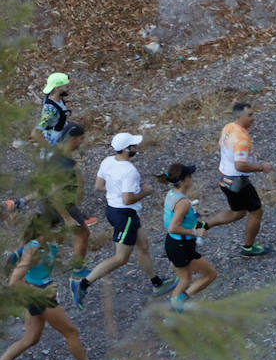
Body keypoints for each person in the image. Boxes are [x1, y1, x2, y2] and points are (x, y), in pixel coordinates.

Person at [70, 133, 172, 309]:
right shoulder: (129, 171)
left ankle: (157, 283)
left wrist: (119, 190)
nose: (136, 148)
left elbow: (99, 186)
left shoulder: (108, 161)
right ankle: (83, 284)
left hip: (113, 210)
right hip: (125, 216)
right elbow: (128, 200)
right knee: (121, 258)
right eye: (133, 145)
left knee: (144, 246)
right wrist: (145, 192)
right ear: (126, 149)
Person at [0, 206, 98, 360]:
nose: (63, 230)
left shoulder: (45, 243)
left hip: (38, 294)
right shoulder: (34, 248)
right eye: (59, 227)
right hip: (41, 296)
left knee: (30, 339)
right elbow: (14, 281)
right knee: (71, 332)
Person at [205, 102, 272, 257]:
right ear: (239, 116)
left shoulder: (228, 127)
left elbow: (225, 147)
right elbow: (240, 165)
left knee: (238, 212)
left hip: (225, 179)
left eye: (253, 114)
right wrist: (261, 167)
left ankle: (203, 224)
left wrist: (250, 157)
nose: (253, 118)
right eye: (249, 115)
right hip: (238, 181)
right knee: (256, 211)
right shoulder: (242, 138)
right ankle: (248, 248)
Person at [157, 163, 215, 310]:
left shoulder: (172, 194)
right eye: (189, 176)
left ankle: (174, 310)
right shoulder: (183, 202)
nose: (191, 178)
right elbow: (174, 227)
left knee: (185, 280)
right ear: (183, 181)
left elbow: (175, 218)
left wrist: (197, 214)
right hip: (182, 247)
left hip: (173, 244)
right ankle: (179, 302)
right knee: (210, 275)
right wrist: (195, 232)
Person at [44, 123, 91, 268]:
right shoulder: (62, 163)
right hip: (63, 202)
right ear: (72, 139)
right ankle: (78, 269)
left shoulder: (57, 151)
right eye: (80, 139)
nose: (82, 142)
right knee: (83, 233)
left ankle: (44, 263)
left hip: (47, 200)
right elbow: (55, 192)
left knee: (50, 235)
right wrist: (67, 218)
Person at [32, 72, 72, 145]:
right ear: (57, 88)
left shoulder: (60, 100)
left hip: (61, 139)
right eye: (66, 87)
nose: (69, 89)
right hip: (53, 142)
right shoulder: (49, 109)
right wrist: (48, 148)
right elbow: (36, 132)